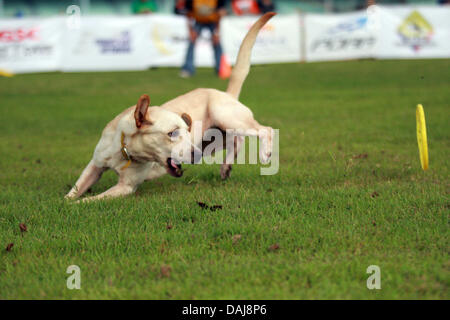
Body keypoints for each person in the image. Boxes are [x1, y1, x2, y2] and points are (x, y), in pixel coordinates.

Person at [180, 0, 227, 78]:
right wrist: (191, 31)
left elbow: (220, 14)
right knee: (191, 42)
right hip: (198, 21)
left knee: (217, 43)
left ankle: (221, 69)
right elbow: (188, 14)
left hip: (213, 22)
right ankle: (188, 69)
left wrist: (217, 32)